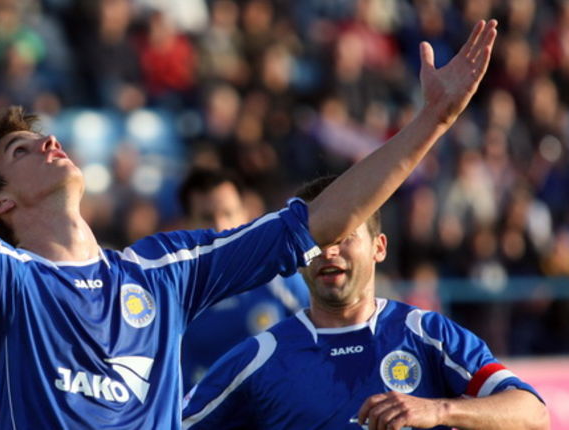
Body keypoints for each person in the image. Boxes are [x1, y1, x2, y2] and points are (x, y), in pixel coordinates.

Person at [0, 0, 497, 427]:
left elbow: (317, 223)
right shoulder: (1, 282)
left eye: (45, 136)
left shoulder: (162, 271)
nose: (49, 143)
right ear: (0, 202)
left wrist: (430, 123)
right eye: (22, 150)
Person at [181, 177, 550, 430]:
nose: (328, 251)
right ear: (297, 254)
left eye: (343, 237)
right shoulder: (260, 357)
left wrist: (437, 409)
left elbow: (532, 413)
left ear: (379, 247)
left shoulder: (426, 335)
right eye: (318, 239)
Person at [178, 169, 309, 388]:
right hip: (201, 418)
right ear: (185, 224)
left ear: (245, 215)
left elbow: (320, 337)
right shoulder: (174, 292)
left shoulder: (279, 276)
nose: (220, 227)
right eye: (207, 217)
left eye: (228, 213)